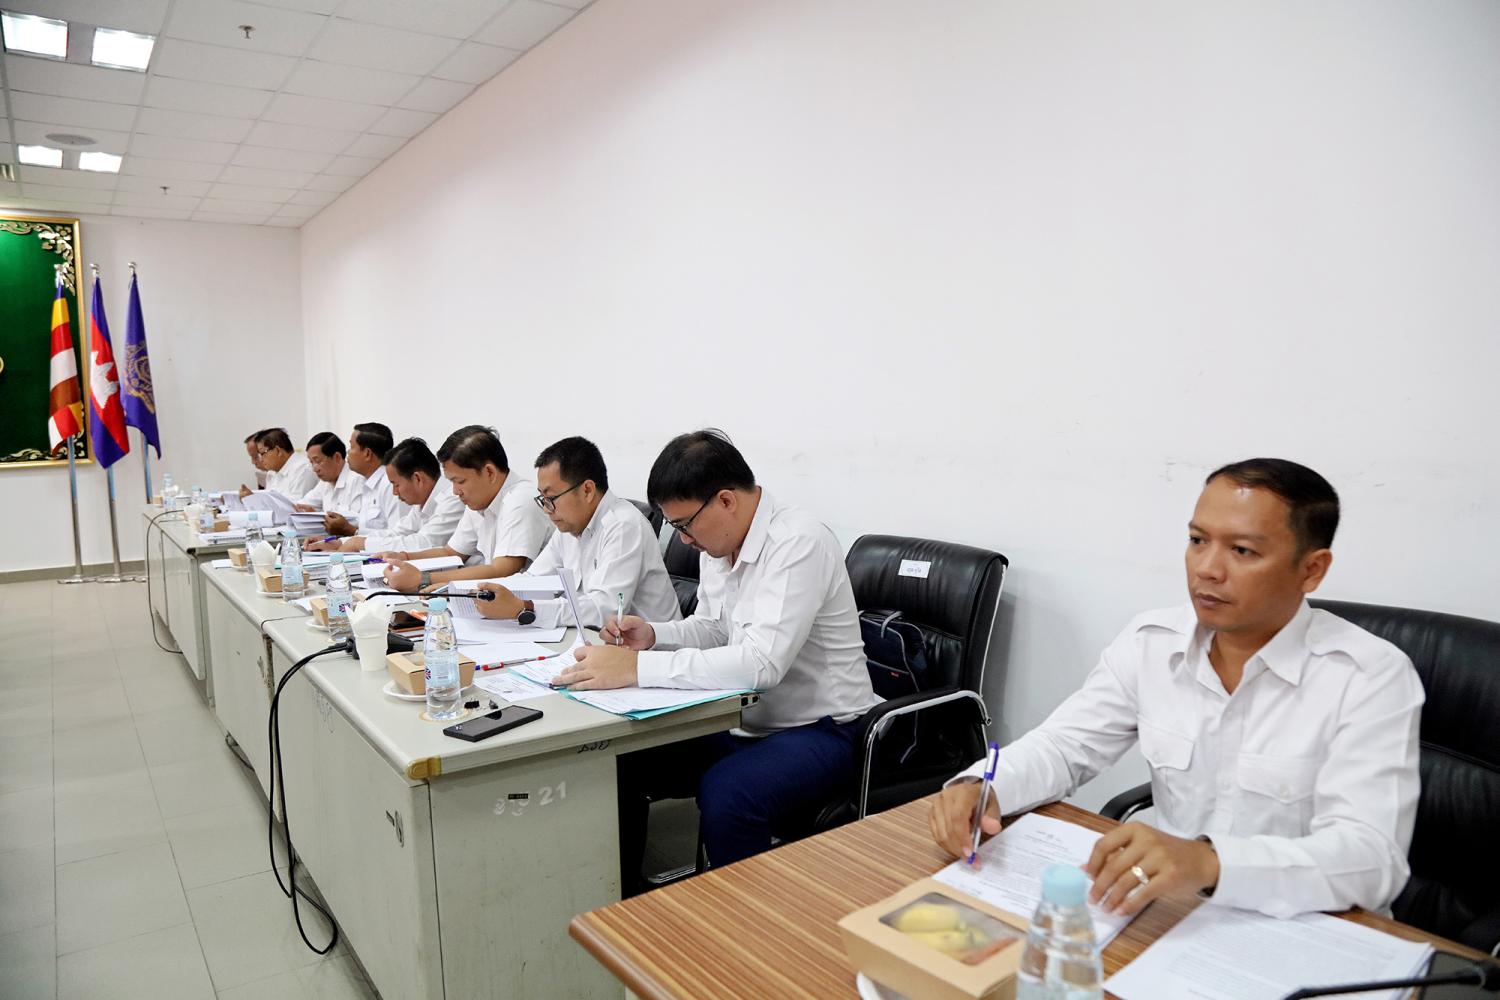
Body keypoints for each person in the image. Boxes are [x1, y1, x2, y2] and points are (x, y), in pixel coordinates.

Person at [928, 459, 1422, 920]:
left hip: (1310, 928)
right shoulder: (1152, 643)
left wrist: (1209, 861)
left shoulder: (1369, 676)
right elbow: (1063, 747)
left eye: (1242, 550)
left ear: (1312, 569)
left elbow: (1373, 859)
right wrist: (983, 786)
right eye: (1197, 540)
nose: (1207, 568)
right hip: (1171, 915)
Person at [550, 430, 881, 892]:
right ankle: (625, 896)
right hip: (741, 720)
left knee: (730, 793)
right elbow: (713, 629)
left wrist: (635, 669)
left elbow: (762, 664)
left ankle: (739, 921)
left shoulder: (798, 542)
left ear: (725, 500)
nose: (684, 540)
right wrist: (654, 636)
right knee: (624, 758)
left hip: (825, 729)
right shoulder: (719, 543)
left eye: (685, 525)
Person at [475, 436, 681, 628]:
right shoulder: (568, 526)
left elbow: (606, 609)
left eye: (551, 498)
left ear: (587, 490)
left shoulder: (624, 526)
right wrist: (483, 591)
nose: (546, 509)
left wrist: (526, 608)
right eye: (542, 499)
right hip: (595, 638)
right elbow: (534, 579)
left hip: (648, 649)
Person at [381, 425, 551, 592]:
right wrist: (404, 557)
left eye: (460, 481)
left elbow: (502, 570)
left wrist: (423, 579)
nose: (455, 491)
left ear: (489, 472)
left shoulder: (520, 500)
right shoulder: (479, 500)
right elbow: (451, 553)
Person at [320, 438, 465, 554]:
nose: (395, 492)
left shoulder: (453, 498)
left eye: (396, 484)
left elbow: (426, 543)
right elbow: (398, 532)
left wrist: (362, 543)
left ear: (417, 478)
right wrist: (341, 542)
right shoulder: (422, 502)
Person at [319, 422, 400, 539]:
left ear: (367, 454)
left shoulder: (390, 484)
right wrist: (329, 541)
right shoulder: (365, 483)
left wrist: (351, 531)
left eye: (352, 447)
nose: (347, 452)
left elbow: (396, 537)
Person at [295, 432, 364, 516]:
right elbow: (301, 505)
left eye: (318, 461)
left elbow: (357, 521)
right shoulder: (325, 481)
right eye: (311, 462)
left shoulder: (358, 480)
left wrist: (317, 517)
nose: (315, 469)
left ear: (337, 457)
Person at [242, 428, 316, 500]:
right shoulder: (272, 472)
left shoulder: (303, 469)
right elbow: (270, 503)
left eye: (262, 454)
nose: (261, 459)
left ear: (278, 451)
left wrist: (254, 499)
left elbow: (296, 506)